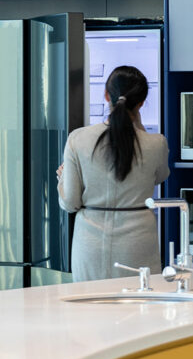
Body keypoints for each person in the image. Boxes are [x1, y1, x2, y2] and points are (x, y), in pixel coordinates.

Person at [57, 65, 169, 282]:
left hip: (89, 244)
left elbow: (70, 203)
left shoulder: (78, 139)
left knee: (90, 309)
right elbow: (161, 176)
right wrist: (139, 126)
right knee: (139, 307)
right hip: (138, 243)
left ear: (107, 95)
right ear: (141, 103)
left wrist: (63, 178)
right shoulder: (156, 143)